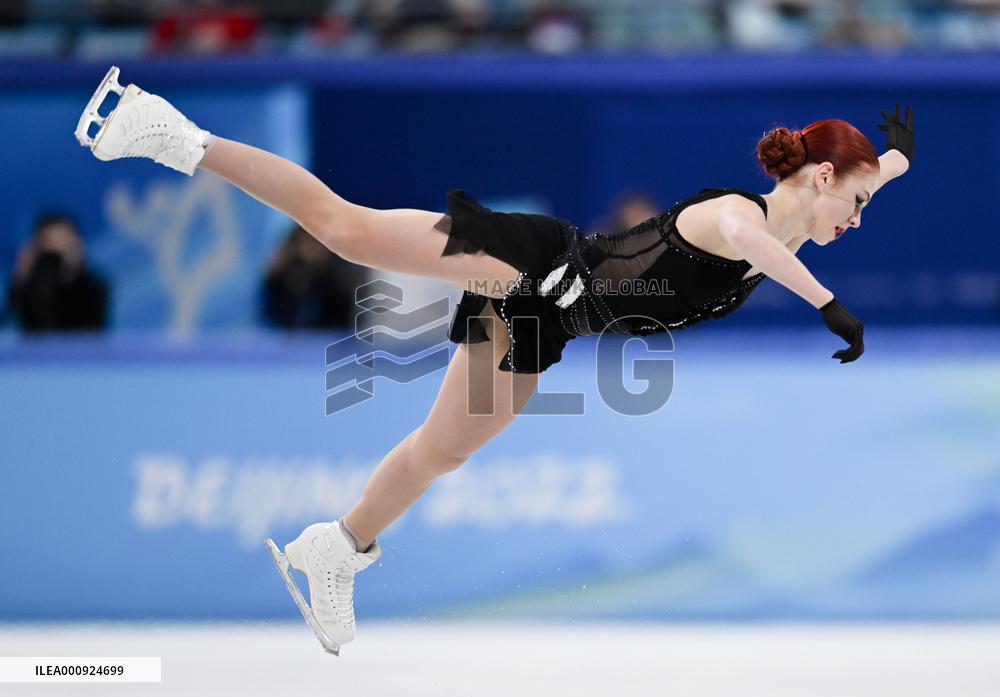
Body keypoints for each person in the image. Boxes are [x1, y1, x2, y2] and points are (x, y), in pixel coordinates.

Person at [76, 68, 913, 654]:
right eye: (860, 201)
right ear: (824, 176)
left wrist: (898, 156)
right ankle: (169, 132)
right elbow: (747, 243)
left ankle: (335, 547)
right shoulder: (743, 216)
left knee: (443, 450)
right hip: (532, 261)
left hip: (550, 321)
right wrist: (828, 305)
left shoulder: (808, 215)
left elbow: (851, 188)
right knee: (348, 228)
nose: (861, 219)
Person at [7, 212, 109, 332]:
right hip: (36, 350)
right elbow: (13, 322)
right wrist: (19, 281)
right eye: (50, 241)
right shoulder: (30, 284)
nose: (57, 249)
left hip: (80, 349)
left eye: (63, 240)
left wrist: (72, 274)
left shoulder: (95, 286)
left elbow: (94, 330)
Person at [261, 223, 367, 329]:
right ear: (296, 244)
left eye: (314, 243)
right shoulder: (283, 273)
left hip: (329, 333)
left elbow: (344, 311)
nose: (309, 248)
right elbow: (271, 309)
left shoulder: (338, 274)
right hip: (286, 334)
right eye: (304, 242)